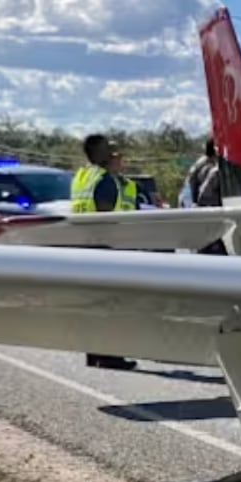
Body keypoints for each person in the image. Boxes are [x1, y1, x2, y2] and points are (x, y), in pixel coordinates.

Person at [70, 134, 137, 370]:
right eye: (107, 148)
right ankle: (111, 355)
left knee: (93, 303)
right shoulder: (105, 179)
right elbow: (107, 216)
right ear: (98, 152)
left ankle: (94, 352)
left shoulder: (82, 176)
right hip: (105, 247)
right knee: (111, 303)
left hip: (83, 245)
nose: (111, 152)